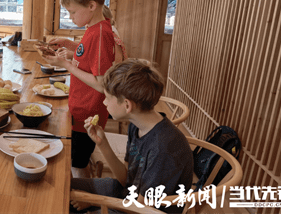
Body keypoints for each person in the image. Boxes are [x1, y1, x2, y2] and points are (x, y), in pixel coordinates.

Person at [70, 59, 193, 213]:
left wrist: (93, 202)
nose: (104, 102)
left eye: (108, 98)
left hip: (144, 210)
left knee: (70, 204)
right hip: (128, 195)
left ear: (127, 105)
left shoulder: (164, 148)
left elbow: (140, 209)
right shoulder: (136, 124)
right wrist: (102, 143)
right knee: (66, 187)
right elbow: (126, 180)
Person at [43, 0, 116, 178]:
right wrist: (69, 44)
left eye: (72, 12)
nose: (70, 17)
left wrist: (65, 64)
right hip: (82, 107)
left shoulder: (101, 33)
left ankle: (84, 203)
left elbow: (101, 84)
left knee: (78, 163)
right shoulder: (95, 29)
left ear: (92, 5)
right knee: (79, 156)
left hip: (88, 113)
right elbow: (89, 55)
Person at [51, 5, 127, 63]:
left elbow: (108, 67)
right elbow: (85, 50)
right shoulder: (100, 32)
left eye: (88, 23)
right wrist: (65, 43)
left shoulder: (108, 37)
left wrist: (73, 56)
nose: (86, 27)